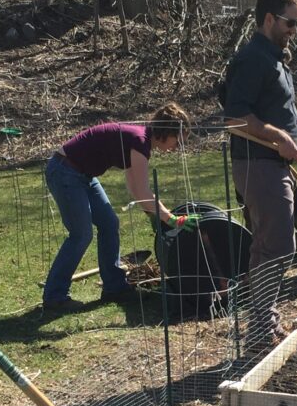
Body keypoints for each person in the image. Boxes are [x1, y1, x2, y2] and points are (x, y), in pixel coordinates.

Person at [222, 0, 297, 346]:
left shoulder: (278, 62)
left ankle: (264, 324)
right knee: (279, 245)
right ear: (269, 19)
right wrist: (276, 138)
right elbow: (234, 118)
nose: (294, 29)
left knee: (269, 245)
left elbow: (290, 120)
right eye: (290, 22)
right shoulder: (252, 59)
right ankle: (261, 328)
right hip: (257, 165)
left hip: (274, 164)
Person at [41, 103, 195, 312]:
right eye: (177, 142)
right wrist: (171, 219)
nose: (176, 148)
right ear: (168, 132)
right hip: (64, 171)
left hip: (83, 175)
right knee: (81, 234)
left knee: (109, 223)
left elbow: (134, 188)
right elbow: (142, 190)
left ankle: (114, 287)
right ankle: (55, 296)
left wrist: (153, 214)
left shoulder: (141, 141)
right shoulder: (139, 141)